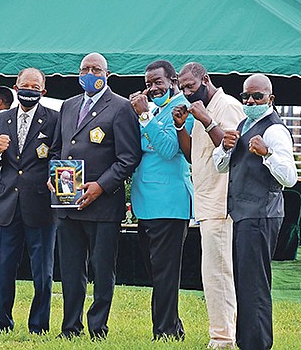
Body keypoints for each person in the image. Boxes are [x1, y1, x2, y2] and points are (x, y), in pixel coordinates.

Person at [49, 52, 142, 339]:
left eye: (96, 69)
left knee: (102, 271)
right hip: (68, 203)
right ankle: (70, 327)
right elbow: (57, 149)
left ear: (107, 73)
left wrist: (101, 186)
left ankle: (97, 327)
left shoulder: (121, 107)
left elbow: (128, 157)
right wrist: (52, 178)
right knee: (70, 269)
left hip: (102, 205)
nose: (90, 73)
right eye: (85, 68)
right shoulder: (68, 105)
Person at [213, 74, 297, 350]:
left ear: (270, 99)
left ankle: (257, 343)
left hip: (261, 213)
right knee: (244, 281)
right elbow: (222, 167)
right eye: (246, 96)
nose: (250, 101)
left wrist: (268, 153)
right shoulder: (244, 124)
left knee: (255, 284)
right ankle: (247, 340)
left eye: (257, 97)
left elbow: (290, 177)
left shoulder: (275, 131)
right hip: (243, 213)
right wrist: (224, 148)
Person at [172, 62, 244, 349]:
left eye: (190, 86)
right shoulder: (200, 106)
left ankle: (224, 338)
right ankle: (222, 334)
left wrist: (206, 120)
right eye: (183, 88)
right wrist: (180, 126)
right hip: (205, 201)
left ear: (206, 79)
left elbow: (233, 150)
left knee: (219, 273)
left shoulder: (226, 106)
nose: (186, 92)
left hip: (223, 202)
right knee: (211, 273)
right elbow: (193, 155)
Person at [0, 68, 58, 334]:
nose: (29, 89)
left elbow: (58, 155)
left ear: (43, 90)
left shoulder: (53, 119)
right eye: (24, 84)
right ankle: (2, 322)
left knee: (43, 272)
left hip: (39, 205)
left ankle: (39, 325)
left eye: (34, 86)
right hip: (6, 205)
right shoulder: (1, 119)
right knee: (2, 270)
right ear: (16, 87)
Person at [129, 60, 193, 341]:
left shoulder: (183, 108)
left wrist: (145, 117)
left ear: (173, 80)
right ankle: (173, 327)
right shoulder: (156, 109)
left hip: (170, 201)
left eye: (158, 82)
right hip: (145, 202)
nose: (153, 88)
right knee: (155, 272)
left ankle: (165, 331)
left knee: (166, 273)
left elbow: (169, 148)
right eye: (149, 83)